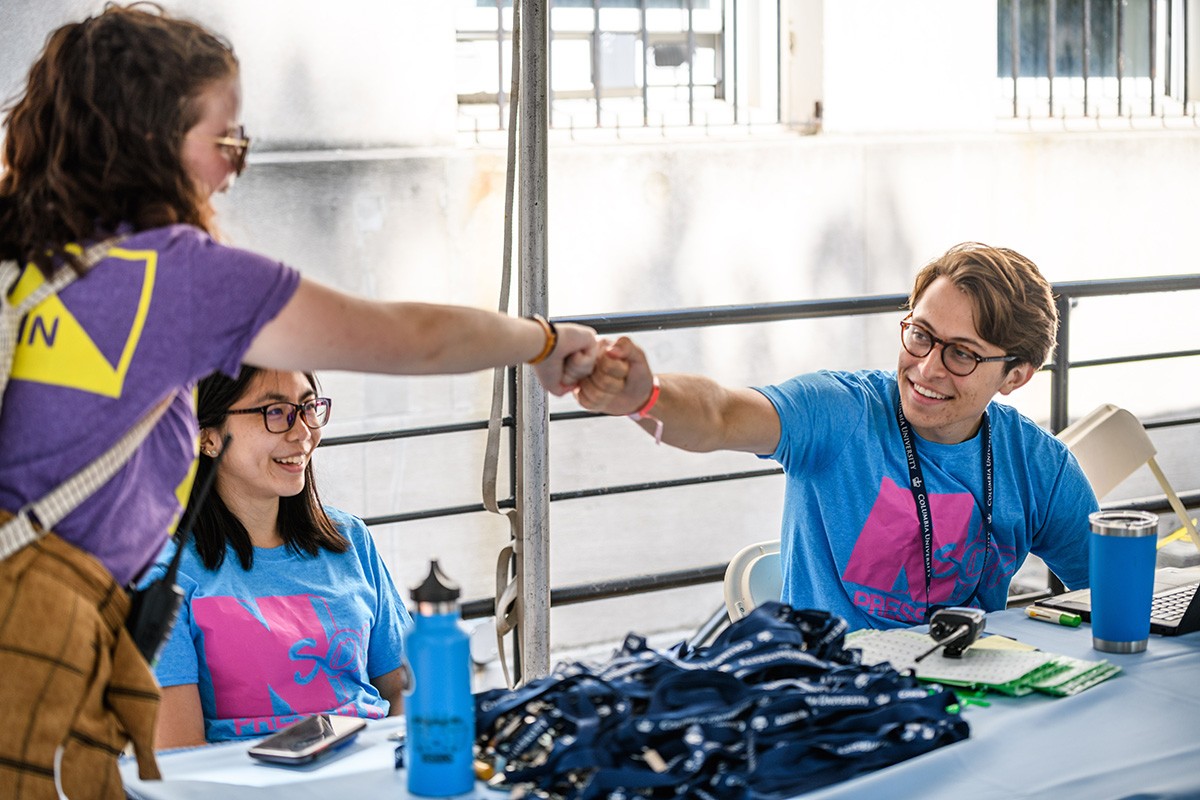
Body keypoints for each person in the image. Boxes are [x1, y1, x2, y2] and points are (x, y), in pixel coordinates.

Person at [0, 5, 595, 797]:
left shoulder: (36, 248)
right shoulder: (170, 274)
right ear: (150, 138)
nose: (231, 167)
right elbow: (405, 336)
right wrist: (545, 342)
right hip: (45, 634)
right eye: (225, 139)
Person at [577, 242, 1098, 631]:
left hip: (968, 699)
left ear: (1016, 376)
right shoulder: (840, 412)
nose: (927, 368)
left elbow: (1113, 596)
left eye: (961, 353)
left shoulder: (1041, 466)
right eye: (920, 335)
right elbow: (719, 415)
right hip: (830, 700)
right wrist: (644, 395)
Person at [150, 366, 412, 747]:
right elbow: (178, 756)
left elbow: (406, 689)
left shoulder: (350, 540)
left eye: (307, 407)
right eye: (274, 412)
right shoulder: (164, 570)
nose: (303, 432)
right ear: (206, 437)